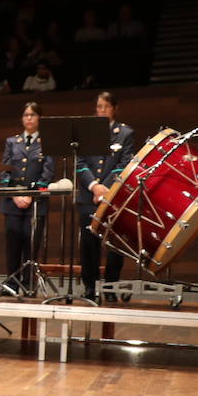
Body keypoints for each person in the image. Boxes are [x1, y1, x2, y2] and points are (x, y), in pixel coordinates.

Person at [77, 91, 136, 302]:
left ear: (114, 109)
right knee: (88, 244)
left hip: (114, 197)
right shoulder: (87, 132)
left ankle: (110, 286)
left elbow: (123, 166)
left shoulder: (125, 133)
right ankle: (90, 287)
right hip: (88, 196)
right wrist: (94, 186)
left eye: (106, 107)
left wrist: (105, 190)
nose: (101, 110)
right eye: (99, 107)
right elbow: (80, 163)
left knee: (114, 244)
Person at [0, 103, 54, 294]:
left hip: (35, 203)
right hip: (13, 202)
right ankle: (12, 284)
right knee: (13, 243)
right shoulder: (12, 142)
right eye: (25, 115)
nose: (28, 118)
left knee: (31, 243)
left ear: (39, 118)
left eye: (32, 115)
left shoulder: (46, 142)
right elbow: (4, 172)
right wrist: (15, 194)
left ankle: (29, 283)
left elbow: (47, 174)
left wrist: (30, 195)